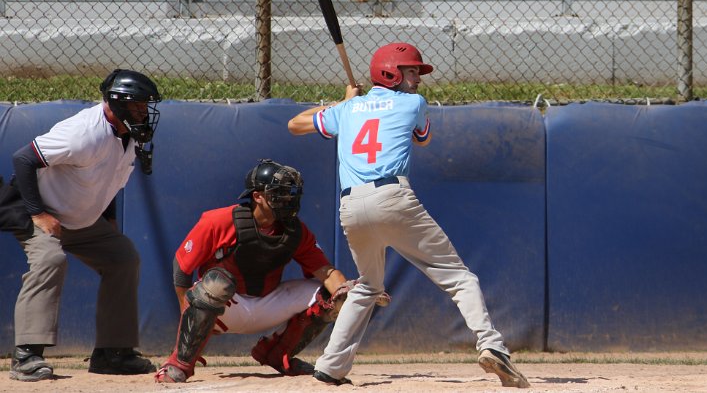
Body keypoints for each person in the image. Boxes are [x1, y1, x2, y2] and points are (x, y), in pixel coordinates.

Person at [288, 42, 529, 388]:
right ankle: (492, 345)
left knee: (367, 286)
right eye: (412, 71)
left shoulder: (348, 109)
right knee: (460, 278)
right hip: (392, 198)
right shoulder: (413, 103)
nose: (418, 78)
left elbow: (295, 124)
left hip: (351, 206)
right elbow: (423, 139)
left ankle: (330, 366)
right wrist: (352, 104)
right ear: (390, 73)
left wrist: (344, 103)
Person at [154, 159, 388, 383]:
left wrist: (354, 294)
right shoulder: (219, 220)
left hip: (266, 305)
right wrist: (188, 312)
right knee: (217, 283)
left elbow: (326, 272)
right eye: (279, 193)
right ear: (257, 196)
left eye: (290, 193)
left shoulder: (295, 231)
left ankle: (277, 355)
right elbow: (181, 267)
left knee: (330, 295)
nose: (288, 199)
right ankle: (180, 363)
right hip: (225, 308)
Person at [0, 69, 162, 381]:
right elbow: (23, 159)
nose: (144, 112)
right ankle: (27, 356)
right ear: (117, 103)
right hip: (38, 208)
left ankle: (113, 354)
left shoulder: (128, 135)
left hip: (80, 217)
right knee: (50, 259)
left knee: (123, 258)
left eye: (145, 106)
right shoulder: (84, 133)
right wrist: (38, 214)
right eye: (138, 105)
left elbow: (107, 180)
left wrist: (109, 220)